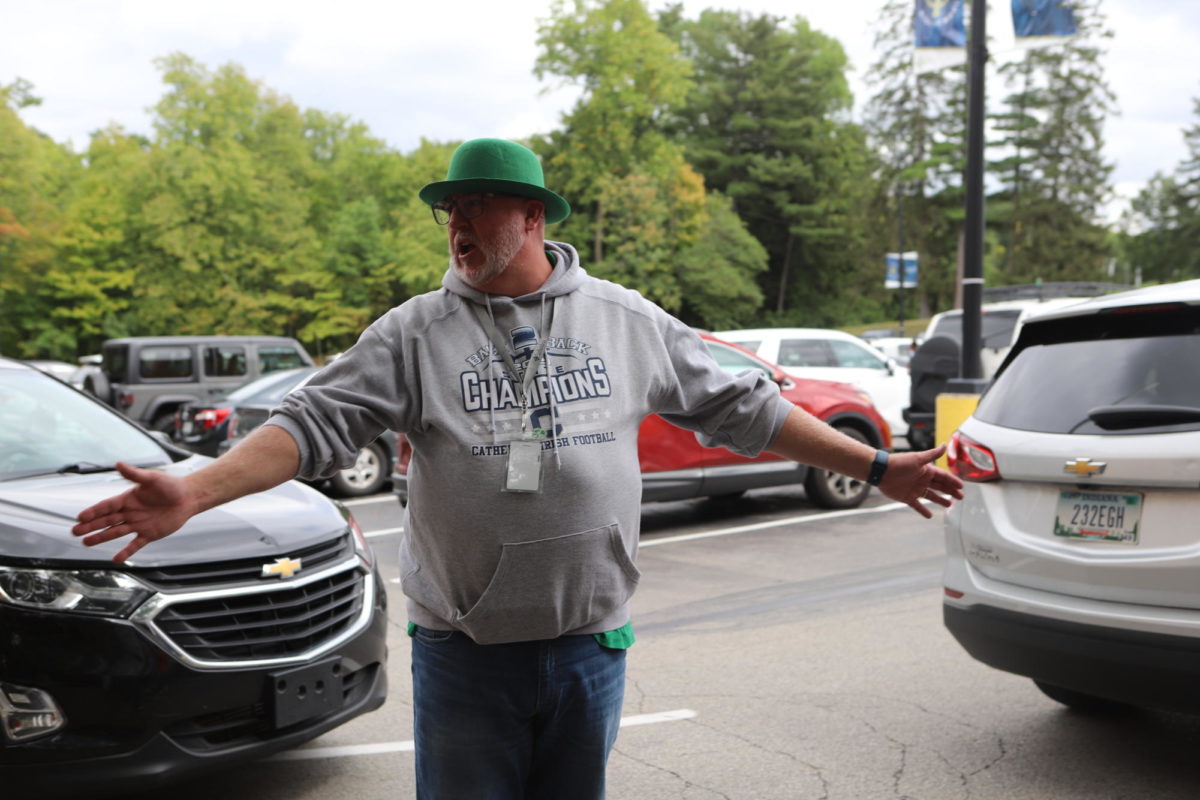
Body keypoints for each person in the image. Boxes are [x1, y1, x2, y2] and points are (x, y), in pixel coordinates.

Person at [73, 138, 964, 799]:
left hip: (588, 646)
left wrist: (879, 463)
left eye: (479, 207)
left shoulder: (624, 319)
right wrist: (195, 489)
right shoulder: (413, 333)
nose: (457, 224)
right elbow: (311, 425)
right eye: (449, 210)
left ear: (533, 217)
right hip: (467, 656)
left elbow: (746, 408)